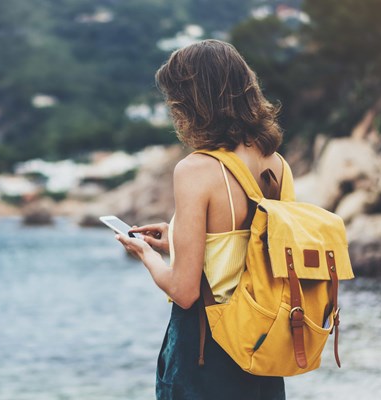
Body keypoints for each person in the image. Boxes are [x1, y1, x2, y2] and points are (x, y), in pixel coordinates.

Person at [114, 39, 287, 399]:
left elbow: (185, 291)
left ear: (192, 103)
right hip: (263, 346)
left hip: (208, 350)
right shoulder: (276, 164)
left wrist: (147, 255)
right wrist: (176, 236)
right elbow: (252, 245)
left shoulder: (196, 169)